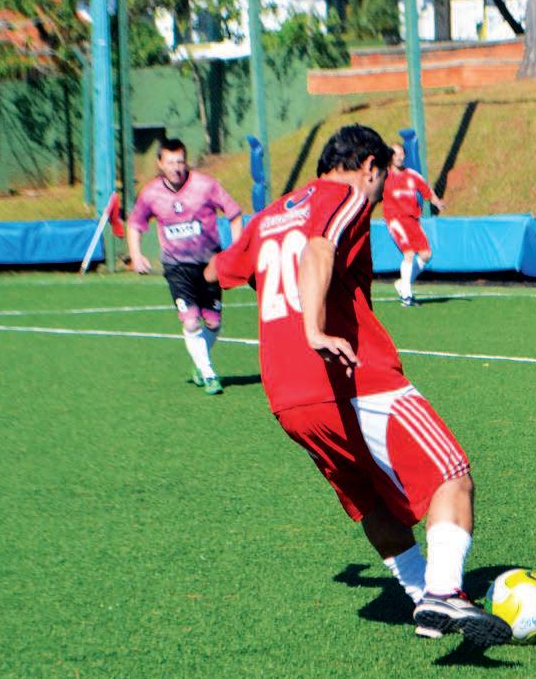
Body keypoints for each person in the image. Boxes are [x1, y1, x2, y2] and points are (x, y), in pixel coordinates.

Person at [205, 124, 510, 647]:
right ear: (370, 167)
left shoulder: (270, 214)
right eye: (383, 177)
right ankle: (443, 591)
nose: (381, 190)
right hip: (351, 374)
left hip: (287, 396)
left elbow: (215, 271)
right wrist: (313, 329)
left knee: (374, 503)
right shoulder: (346, 196)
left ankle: (423, 597)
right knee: (451, 476)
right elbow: (318, 250)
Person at [126, 139, 242, 395]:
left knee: (213, 323)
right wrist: (136, 255)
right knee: (190, 322)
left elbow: (234, 213)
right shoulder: (151, 193)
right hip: (177, 267)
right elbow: (134, 224)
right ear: (160, 163)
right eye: (170, 162)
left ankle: (200, 363)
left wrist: (236, 249)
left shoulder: (205, 185)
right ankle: (209, 373)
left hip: (210, 264)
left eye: (180, 161)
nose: (176, 167)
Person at [381, 143, 444, 307]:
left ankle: (403, 283)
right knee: (408, 253)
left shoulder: (412, 175)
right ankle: (407, 296)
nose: (399, 157)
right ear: (390, 157)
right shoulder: (384, 176)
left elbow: (427, 191)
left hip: (412, 220)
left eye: (401, 154)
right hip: (395, 219)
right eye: (395, 154)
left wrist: (437, 202)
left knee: (426, 255)